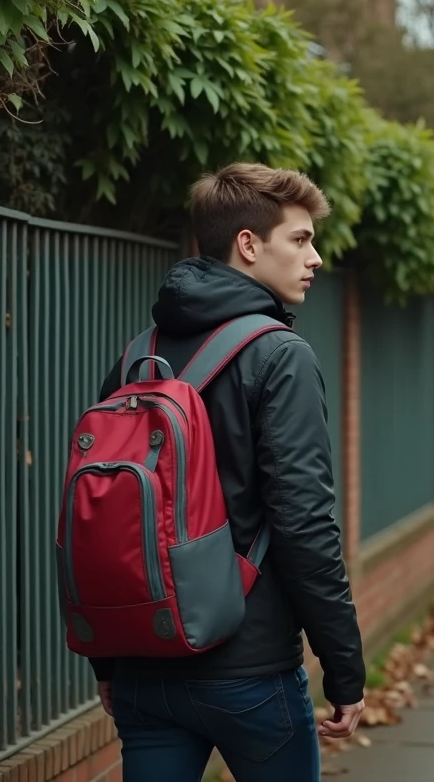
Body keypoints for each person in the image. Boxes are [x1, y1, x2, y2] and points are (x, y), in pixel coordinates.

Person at [90, 163, 366, 781]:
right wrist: (345, 668)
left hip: (144, 667)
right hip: (250, 675)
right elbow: (305, 526)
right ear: (248, 244)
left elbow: (103, 519)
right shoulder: (280, 356)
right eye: (300, 239)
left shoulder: (137, 357)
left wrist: (108, 661)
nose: (315, 257)